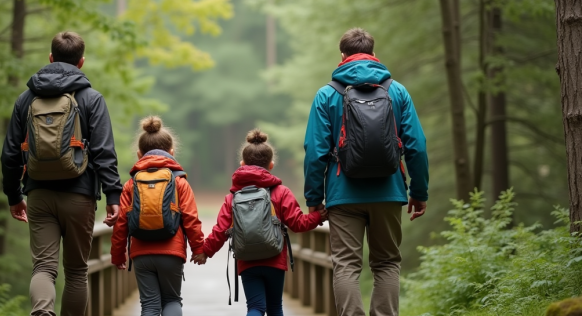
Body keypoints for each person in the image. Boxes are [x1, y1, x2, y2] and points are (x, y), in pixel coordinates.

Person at [303, 27, 429, 316]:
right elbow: (417, 147)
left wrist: (314, 199)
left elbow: (315, 152)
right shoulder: (396, 91)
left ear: (342, 56)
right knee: (386, 263)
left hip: (342, 194)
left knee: (346, 264)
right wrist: (419, 192)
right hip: (389, 190)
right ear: (374, 54)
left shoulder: (326, 95)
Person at [1, 32, 122, 316]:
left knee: (43, 267)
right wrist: (113, 195)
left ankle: (42, 312)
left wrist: (14, 196)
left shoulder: (25, 99)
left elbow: (10, 154)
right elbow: (105, 152)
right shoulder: (91, 98)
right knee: (77, 271)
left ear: (50, 58)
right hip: (79, 195)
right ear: (81, 62)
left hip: (39, 193)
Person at [203, 129, 328, 316]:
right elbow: (297, 224)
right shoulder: (281, 192)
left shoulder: (233, 197)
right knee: (275, 307)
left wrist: (205, 252)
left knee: (255, 308)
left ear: (242, 164)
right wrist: (319, 216)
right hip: (274, 258)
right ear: (271, 165)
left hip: (247, 260)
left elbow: (221, 230)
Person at [110, 116, 205, 316]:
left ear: (139, 154)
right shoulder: (179, 182)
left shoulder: (131, 184)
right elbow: (191, 218)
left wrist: (118, 254)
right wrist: (198, 249)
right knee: (172, 300)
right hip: (172, 251)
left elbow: (121, 223)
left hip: (142, 254)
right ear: (171, 153)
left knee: (150, 305)